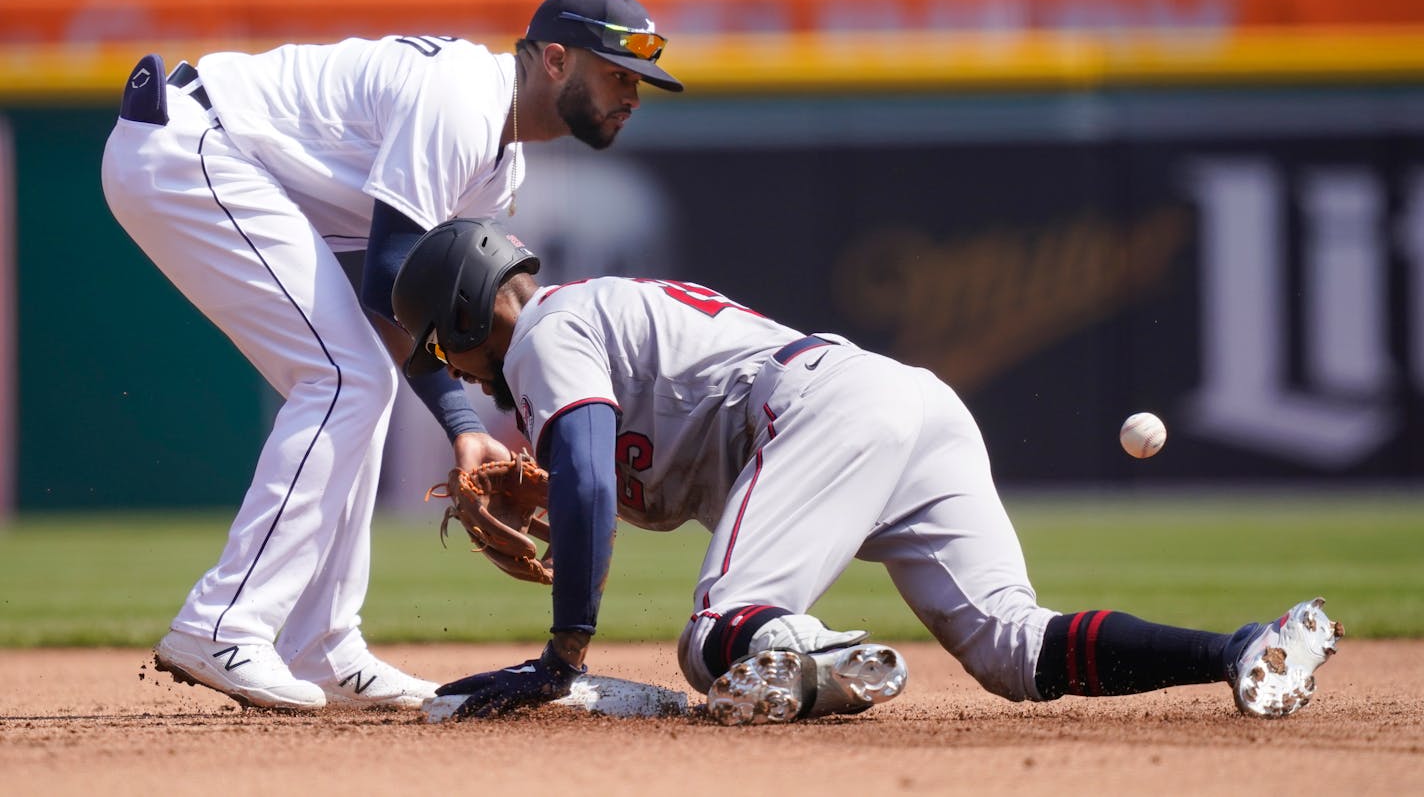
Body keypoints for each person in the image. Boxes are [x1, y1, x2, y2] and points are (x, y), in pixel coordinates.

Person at [390, 217, 1343, 725]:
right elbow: (623, 466)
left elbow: (604, 481)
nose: (457, 372)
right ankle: (1241, 650)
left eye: (446, 350)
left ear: (471, 314)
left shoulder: (543, 333)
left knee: (716, 636)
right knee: (1013, 649)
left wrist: (564, 655)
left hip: (820, 407)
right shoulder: (578, 330)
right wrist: (555, 486)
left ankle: (820, 660)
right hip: (893, 404)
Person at [100, 0, 683, 711]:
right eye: (618, 73)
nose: (632, 94)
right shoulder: (464, 99)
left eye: (639, 80)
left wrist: (506, 437)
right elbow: (386, 285)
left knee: (357, 377)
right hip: (191, 143)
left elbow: (417, 304)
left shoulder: (500, 168)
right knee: (345, 379)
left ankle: (323, 645)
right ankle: (223, 622)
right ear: (557, 61)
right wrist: (465, 429)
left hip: (216, 155)